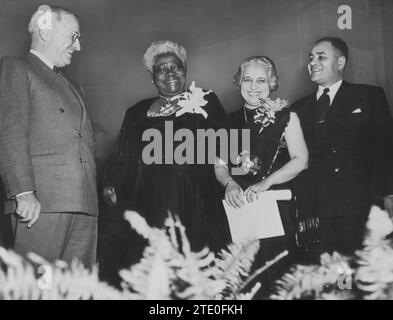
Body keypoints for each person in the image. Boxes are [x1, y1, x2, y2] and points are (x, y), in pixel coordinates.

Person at [103, 40, 231, 264]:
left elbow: (225, 144)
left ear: (185, 71)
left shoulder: (207, 101)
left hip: (198, 199)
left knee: (199, 263)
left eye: (176, 67)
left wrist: (227, 178)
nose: (170, 73)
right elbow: (122, 156)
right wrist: (111, 184)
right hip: (151, 202)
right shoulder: (136, 112)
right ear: (152, 77)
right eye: (161, 69)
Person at [0, 5, 98, 267]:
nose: (78, 47)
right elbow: (10, 132)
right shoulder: (16, 67)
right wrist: (23, 192)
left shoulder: (73, 86)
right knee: (35, 288)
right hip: (41, 204)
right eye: (73, 36)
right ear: (45, 31)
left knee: (77, 289)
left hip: (84, 205)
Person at [215, 56, 308, 294]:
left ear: (272, 83)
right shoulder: (227, 121)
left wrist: (267, 182)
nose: (253, 86)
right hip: (239, 209)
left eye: (261, 80)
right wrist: (230, 184)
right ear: (238, 82)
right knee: (243, 278)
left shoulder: (286, 117)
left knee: (277, 277)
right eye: (247, 80)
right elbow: (220, 165)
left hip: (274, 208)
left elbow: (301, 160)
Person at [291, 37, 393, 255]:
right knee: (330, 269)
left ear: (340, 63)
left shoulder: (369, 96)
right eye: (310, 58)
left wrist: (389, 193)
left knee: (362, 268)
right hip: (316, 205)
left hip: (359, 202)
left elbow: (385, 147)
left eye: (321, 57)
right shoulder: (298, 108)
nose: (313, 62)